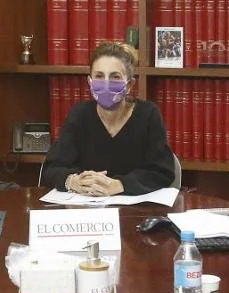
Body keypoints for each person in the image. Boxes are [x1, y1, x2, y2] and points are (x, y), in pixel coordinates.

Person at [41, 41, 176, 196]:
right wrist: (74, 182)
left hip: (136, 212)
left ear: (130, 84)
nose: (106, 83)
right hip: (86, 212)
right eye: (99, 76)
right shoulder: (79, 115)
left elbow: (162, 172)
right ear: (90, 82)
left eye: (115, 77)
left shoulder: (148, 115)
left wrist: (119, 185)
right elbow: (52, 168)